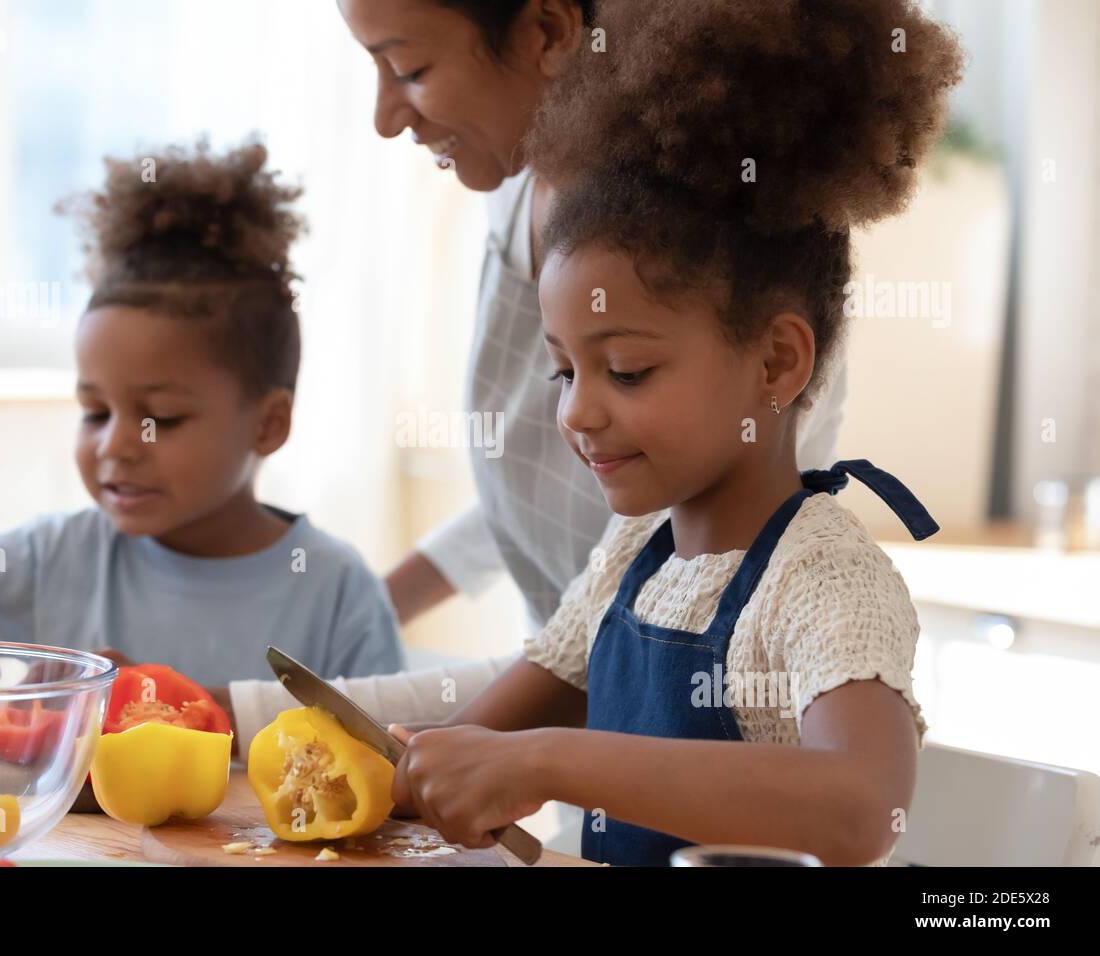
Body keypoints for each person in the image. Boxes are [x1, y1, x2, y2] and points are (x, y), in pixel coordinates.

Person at [386, 0, 963, 866]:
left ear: (774, 364)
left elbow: (860, 808)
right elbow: (466, 743)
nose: (577, 411)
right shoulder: (633, 555)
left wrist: (547, 760)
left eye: (626, 371)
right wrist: (392, 763)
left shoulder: (823, 581)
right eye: (562, 370)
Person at [0, 140, 405, 700]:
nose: (117, 445)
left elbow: (384, 749)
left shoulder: (336, 590)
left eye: (162, 417)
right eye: (95, 411)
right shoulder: (54, 559)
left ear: (269, 424)